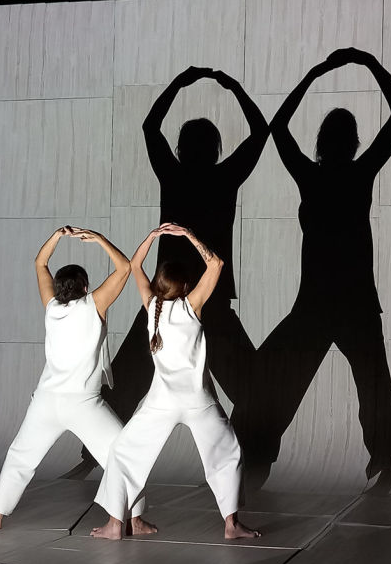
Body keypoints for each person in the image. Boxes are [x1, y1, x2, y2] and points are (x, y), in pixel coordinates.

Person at [231, 48, 391, 495]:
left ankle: (256, 457)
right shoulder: (359, 172)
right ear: (353, 143)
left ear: (322, 142)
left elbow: (278, 126)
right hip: (351, 303)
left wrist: (315, 74)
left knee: (279, 378)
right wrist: (368, 63)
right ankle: (383, 464)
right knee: (373, 385)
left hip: (318, 303)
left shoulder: (311, 176)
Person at [83, 66, 268, 470]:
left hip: (166, 297)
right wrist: (234, 87)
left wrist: (179, 83)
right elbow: (260, 132)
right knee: (251, 385)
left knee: (131, 373)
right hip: (206, 297)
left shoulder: (175, 174)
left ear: (182, 149)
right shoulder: (223, 177)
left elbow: (151, 127)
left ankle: (92, 456)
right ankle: (250, 459)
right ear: (215, 150)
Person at [0, 226, 155, 535]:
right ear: (85, 286)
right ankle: (135, 519)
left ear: (59, 288)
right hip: (82, 404)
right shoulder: (93, 305)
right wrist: (99, 239)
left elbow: (40, 263)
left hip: (46, 402)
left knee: (20, 456)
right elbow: (125, 268)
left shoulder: (51, 308)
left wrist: (57, 236)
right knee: (123, 455)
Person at [91, 223, 259, 540]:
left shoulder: (152, 306)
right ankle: (231, 525)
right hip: (198, 401)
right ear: (184, 285)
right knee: (227, 454)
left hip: (161, 402)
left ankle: (115, 524)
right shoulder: (192, 306)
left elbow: (135, 265)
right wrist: (189, 235)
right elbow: (216, 264)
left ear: (158, 284)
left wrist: (151, 237)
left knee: (124, 453)